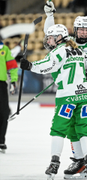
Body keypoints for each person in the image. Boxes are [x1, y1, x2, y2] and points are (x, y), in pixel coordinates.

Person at [20, 24, 87, 179]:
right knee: (83, 128)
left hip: (67, 97)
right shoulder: (78, 50)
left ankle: (54, 163)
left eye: (50, 38)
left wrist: (30, 65)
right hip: (83, 95)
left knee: (58, 129)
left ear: (58, 38)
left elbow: (47, 65)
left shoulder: (59, 50)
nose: (48, 41)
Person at [44, 2, 87, 178]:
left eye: (86, 30)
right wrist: (49, 16)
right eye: (81, 29)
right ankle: (80, 160)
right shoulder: (70, 45)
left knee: (83, 127)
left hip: (82, 93)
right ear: (74, 31)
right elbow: (51, 35)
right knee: (71, 129)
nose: (84, 32)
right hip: (72, 93)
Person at [0, 41, 18, 152]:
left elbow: (12, 66)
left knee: (3, 113)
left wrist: (14, 80)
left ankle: (1, 140)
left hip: (1, 84)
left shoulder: (4, 49)